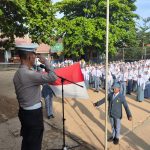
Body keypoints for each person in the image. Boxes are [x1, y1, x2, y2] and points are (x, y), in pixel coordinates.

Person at [13, 46, 57, 150]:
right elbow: (53, 77)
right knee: (34, 144)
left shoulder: (18, 73)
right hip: (33, 115)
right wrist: (46, 61)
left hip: (24, 112)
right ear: (29, 57)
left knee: (27, 141)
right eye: (34, 56)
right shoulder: (29, 74)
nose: (35, 58)